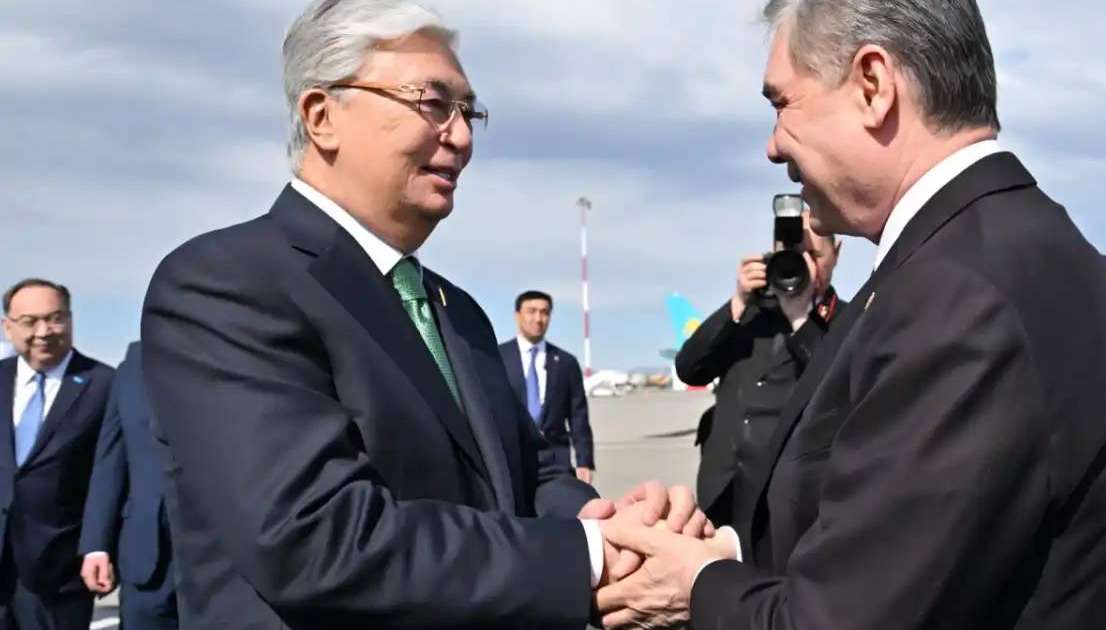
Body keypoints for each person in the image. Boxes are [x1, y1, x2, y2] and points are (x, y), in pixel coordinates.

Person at [139, 2, 716, 628]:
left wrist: (605, 520)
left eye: (469, 111)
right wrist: (590, 556)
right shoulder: (228, 284)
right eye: (432, 103)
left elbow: (528, 470)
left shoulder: (455, 311)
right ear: (322, 115)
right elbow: (319, 541)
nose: (462, 137)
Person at [593, 1, 1106, 628]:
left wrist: (695, 588)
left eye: (781, 104)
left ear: (873, 85)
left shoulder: (961, 294)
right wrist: (719, 550)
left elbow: (843, 618)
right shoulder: (997, 249)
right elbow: (903, 537)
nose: (773, 145)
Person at [676, 210, 841, 528]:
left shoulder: (845, 320)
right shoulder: (747, 317)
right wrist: (737, 302)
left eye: (814, 255)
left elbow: (837, 388)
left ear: (837, 254)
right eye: (792, 256)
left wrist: (801, 319)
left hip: (790, 504)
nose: (803, 265)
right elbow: (689, 370)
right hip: (723, 491)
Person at [0, 279, 115, 630]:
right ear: (8, 326)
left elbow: (108, 472)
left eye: (55, 318)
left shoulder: (104, 384)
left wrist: (97, 546)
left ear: (70, 319)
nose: (43, 331)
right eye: (29, 321)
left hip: (60, 569)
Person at [80, 341, 179, 630]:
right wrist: (97, 545)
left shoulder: (240, 351)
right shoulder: (134, 363)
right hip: (146, 560)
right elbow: (111, 458)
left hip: (227, 564)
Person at [499, 291, 595, 484]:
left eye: (544, 312)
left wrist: (585, 461)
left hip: (557, 462)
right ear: (517, 315)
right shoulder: (498, 358)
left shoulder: (566, 362)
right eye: (531, 311)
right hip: (512, 461)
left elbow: (578, 416)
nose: (538, 318)